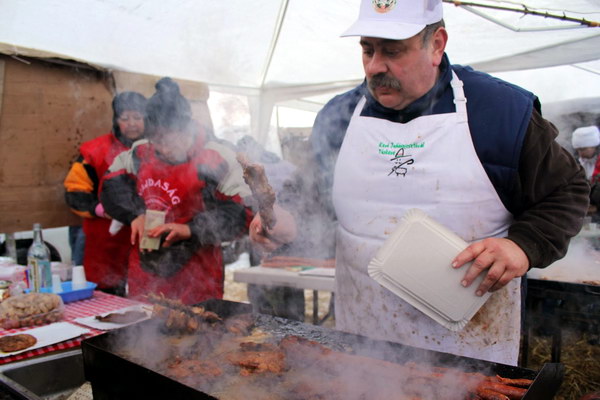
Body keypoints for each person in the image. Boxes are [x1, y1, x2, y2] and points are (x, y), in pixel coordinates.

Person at [249, 0, 589, 365]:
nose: (376, 66)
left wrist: (523, 246)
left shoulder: (501, 111)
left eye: (393, 51)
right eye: (368, 49)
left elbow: (567, 190)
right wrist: (289, 222)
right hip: (365, 332)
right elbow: (314, 199)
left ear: (437, 44)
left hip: (471, 341)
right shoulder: (339, 116)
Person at [100, 78, 252, 305]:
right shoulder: (139, 152)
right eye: (156, 140)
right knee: (143, 332)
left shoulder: (216, 156)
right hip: (145, 270)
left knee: (195, 332)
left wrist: (190, 229)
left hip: (197, 272)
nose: (162, 148)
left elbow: (242, 213)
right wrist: (134, 214)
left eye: (168, 139)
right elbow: (112, 185)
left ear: (185, 128)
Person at [64, 91, 147, 296]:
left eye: (137, 117)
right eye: (124, 118)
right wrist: (101, 209)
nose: (132, 124)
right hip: (104, 241)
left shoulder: (161, 149)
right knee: (104, 299)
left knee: (145, 297)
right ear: (116, 120)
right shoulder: (94, 151)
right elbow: (74, 192)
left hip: (145, 237)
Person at [572, 125, 600, 222]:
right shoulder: (576, 162)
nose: (581, 153)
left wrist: (597, 207)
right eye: (578, 150)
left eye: (583, 149)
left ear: (594, 146)